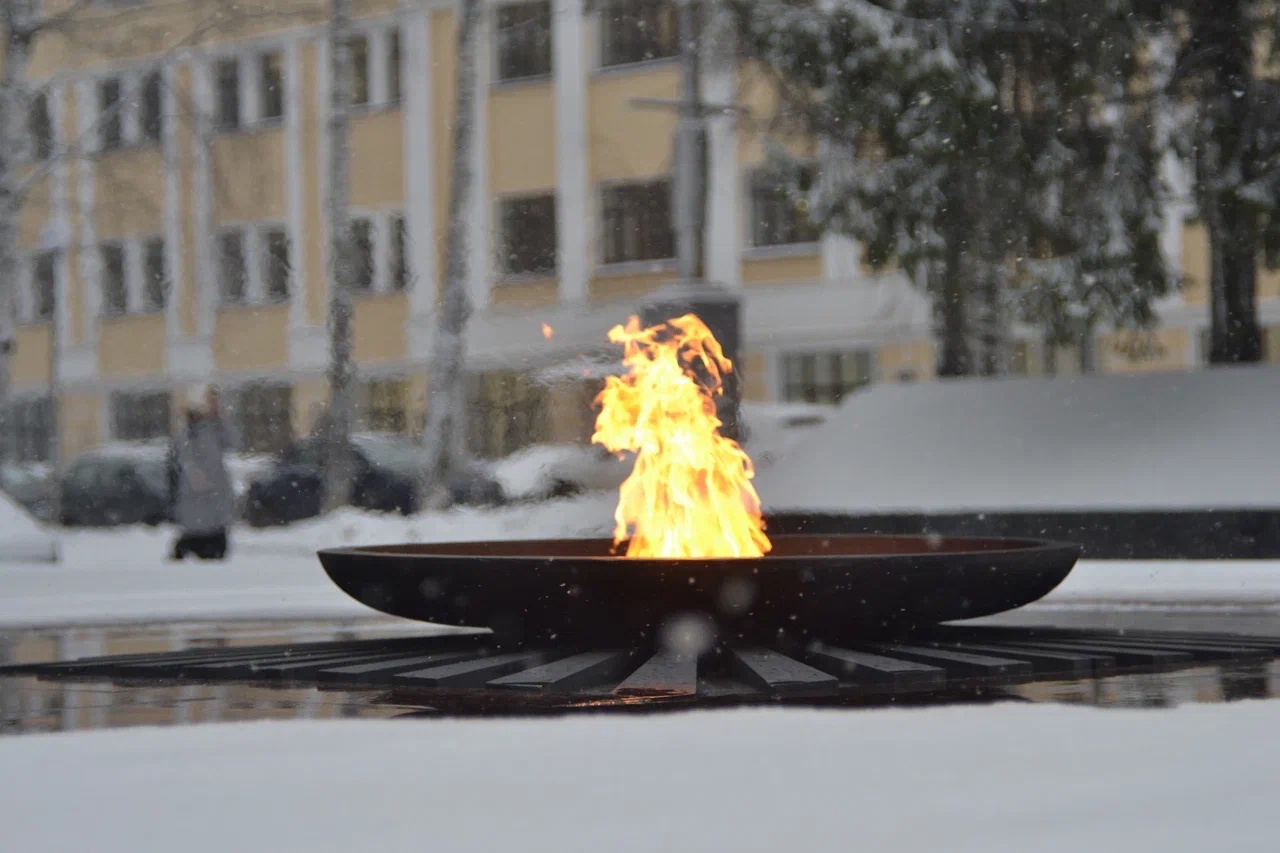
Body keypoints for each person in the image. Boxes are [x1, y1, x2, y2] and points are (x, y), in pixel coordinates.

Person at [167, 384, 235, 561]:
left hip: (215, 498)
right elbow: (183, 456)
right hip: (195, 499)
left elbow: (232, 441)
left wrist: (219, 414)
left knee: (214, 538)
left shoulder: (215, 428)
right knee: (196, 533)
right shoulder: (188, 432)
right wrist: (194, 473)